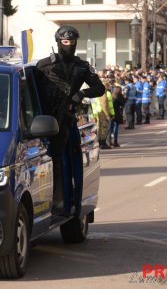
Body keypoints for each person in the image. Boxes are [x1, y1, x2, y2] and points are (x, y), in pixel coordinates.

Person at [33, 25, 104, 217]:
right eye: (65, 42)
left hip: (66, 121)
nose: (69, 45)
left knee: (66, 164)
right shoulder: (43, 65)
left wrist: (81, 93)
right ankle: (52, 204)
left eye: (72, 42)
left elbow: (99, 88)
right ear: (58, 42)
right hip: (42, 123)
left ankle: (66, 205)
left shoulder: (82, 66)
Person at [91, 79, 114, 149]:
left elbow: (93, 104)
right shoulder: (107, 93)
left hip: (98, 112)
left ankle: (100, 143)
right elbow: (108, 105)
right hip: (104, 113)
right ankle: (102, 143)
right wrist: (111, 114)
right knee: (104, 128)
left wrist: (94, 114)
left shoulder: (96, 93)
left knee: (99, 128)